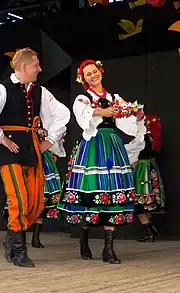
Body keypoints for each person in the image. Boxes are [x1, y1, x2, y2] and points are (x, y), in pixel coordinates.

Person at [0, 47, 70, 268]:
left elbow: (62, 114)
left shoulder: (41, 92)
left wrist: (50, 141)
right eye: (37, 64)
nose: (40, 68)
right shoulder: (0, 90)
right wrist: (1, 137)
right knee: (18, 198)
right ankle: (19, 249)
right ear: (24, 66)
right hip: (8, 152)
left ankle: (11, 236)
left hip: (31, 149)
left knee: (36, 202)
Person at [57, 60, 144, 264]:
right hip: (93, 146)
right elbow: (81, 115)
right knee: (91, 189)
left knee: (113, 191)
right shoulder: (83, 98)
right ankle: (84, 238)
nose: (93, 76)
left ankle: (108, 248)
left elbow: (126, 118)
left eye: (94, 72)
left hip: (112, 144)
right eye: (88, 74)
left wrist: (136, 115)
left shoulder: (114, 98)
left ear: (101, 72)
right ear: (83, 79)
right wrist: (101, 112)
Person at [127, 113, 165, 242]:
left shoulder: (141, 139)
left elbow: (131, 150)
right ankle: (151, 228)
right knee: (144, 201)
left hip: (141, 168)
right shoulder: (153, 138)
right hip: (150, 167)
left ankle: (149, 231)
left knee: (139, 201)